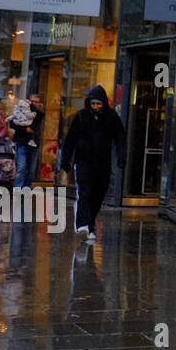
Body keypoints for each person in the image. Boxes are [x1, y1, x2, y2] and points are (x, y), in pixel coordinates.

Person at [60, 85, 125, 244]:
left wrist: (121, 156)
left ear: (103, 103)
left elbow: (120, 137)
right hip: (83, 161)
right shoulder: (81, 116)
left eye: (98, 104)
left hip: (103, 163)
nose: (95, 107)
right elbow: (70, 140)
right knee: (85, 192)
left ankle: (90, 224)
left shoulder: (111, 117)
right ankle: (82, 225)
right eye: (93, 103)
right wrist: (65, 159)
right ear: (89, 103)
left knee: (98, 195)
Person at [8, 100, 38, 190]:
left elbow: (40, 118)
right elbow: (12, 124)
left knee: (31, 170)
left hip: (34, 144)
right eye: (33, 101)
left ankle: (26, 189)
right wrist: (25, 129)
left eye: (37, 102)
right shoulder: (20, 111)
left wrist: (33, 106)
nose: (35, 103)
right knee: (21, 168)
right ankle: (18, 189)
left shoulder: (36, 114)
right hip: (21, 143)